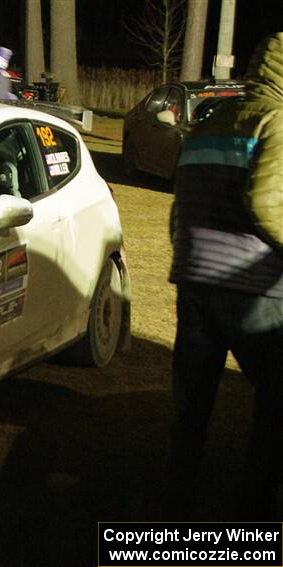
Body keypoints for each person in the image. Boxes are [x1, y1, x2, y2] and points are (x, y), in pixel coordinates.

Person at [165, 32, 283, 520]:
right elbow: (267, 202)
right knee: (276, 407)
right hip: (252, 289)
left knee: (191, 410)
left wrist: (187, 252)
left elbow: (181, 200)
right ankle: (254, 519)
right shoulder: (276, 121)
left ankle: (175, 511)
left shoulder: (211, 121)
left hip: (194, 281)